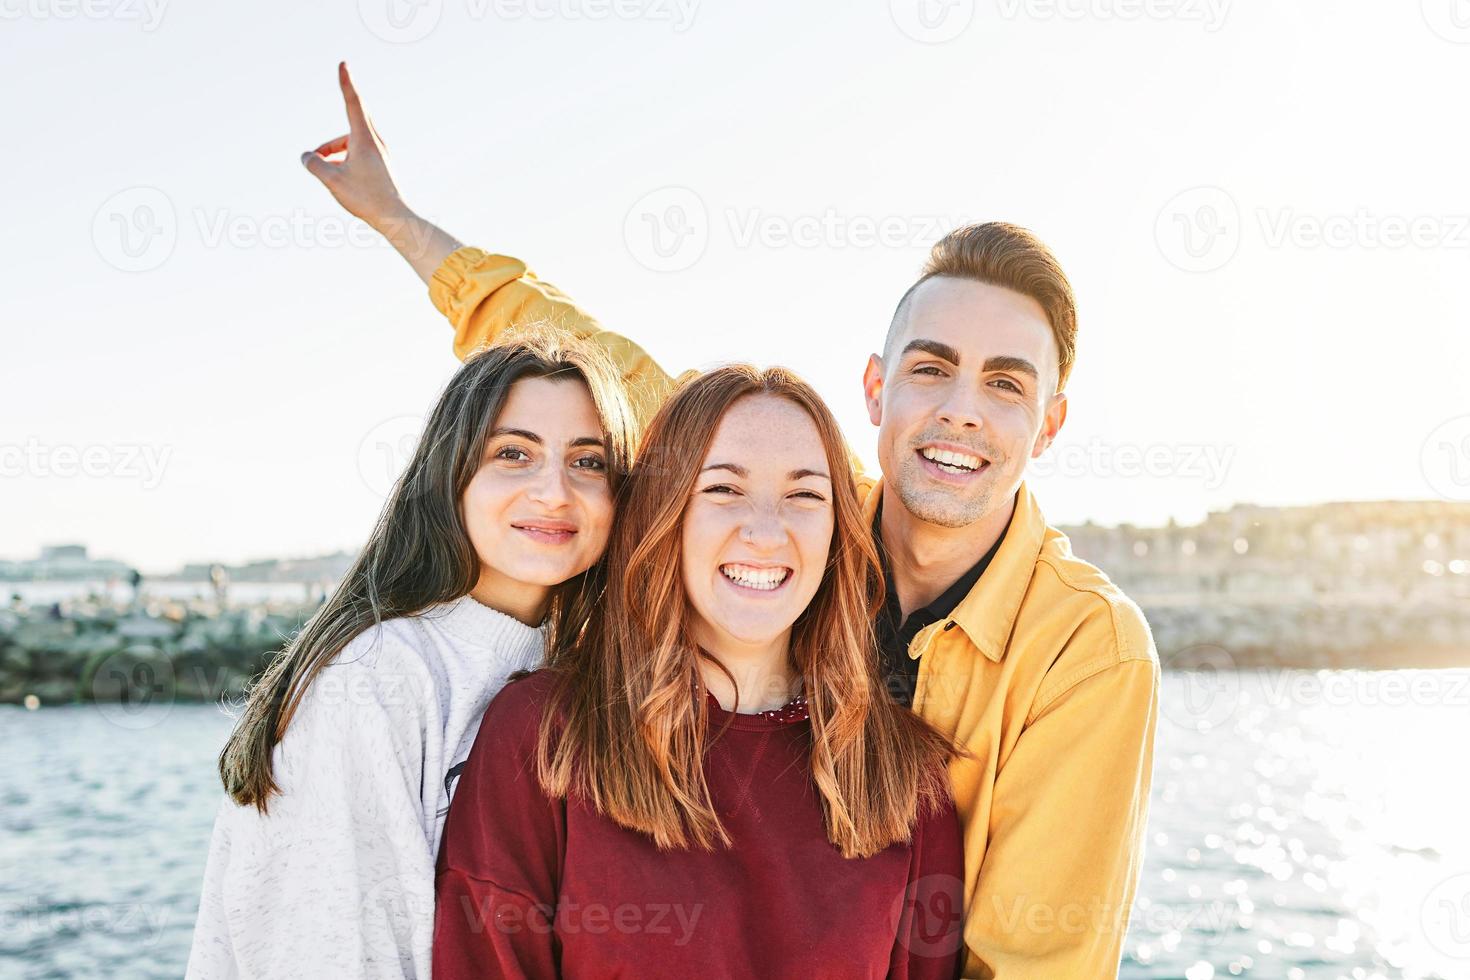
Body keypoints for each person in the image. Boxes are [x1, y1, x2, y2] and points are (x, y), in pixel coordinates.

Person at [307, 63, 1160, 979]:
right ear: (877, 389)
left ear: (1052, 422)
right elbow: (601, 367)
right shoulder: (792, 509)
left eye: (1006, 384)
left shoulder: (1085, 652)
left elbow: (1035, 959)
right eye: (931, 368)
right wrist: (402, 224)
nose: (961, 410)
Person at [434, 365, 965, 979]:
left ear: (838, 531)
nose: (765, 532)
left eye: (804, 495)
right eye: (723, 490)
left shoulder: (904, 779)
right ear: (667, 515)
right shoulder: (543, 737)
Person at [186, 334, 638, 979]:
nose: (554, 492)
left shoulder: (571, 670)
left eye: (589, 462)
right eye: (513, 453)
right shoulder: (376, 676)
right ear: (450, 472)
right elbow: (325, 953)